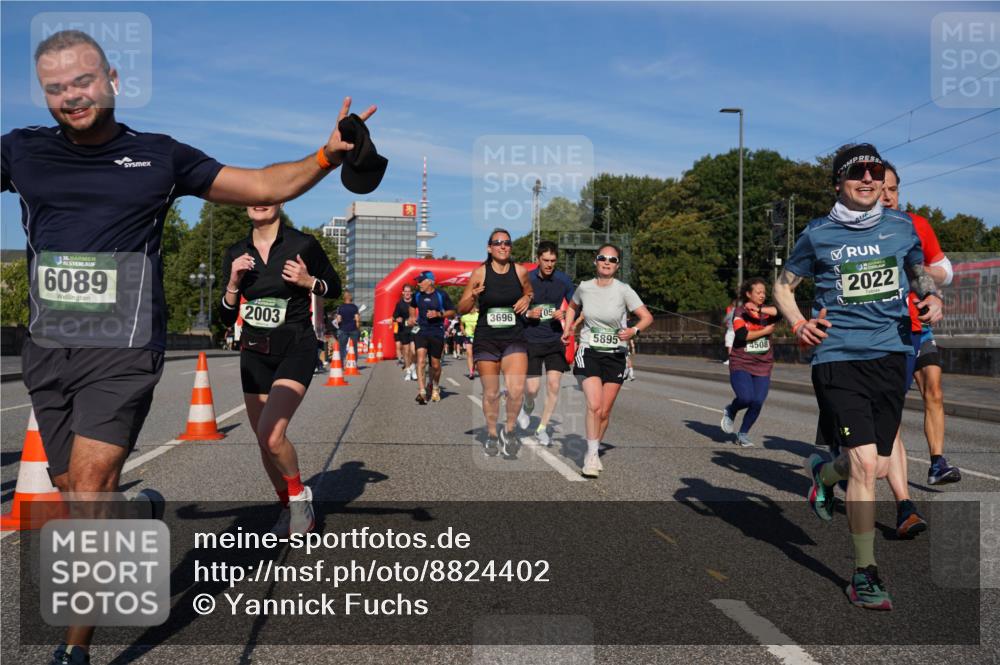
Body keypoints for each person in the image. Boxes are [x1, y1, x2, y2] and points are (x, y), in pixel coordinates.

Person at [1, 29, 376, 665]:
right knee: (73, 488)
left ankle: (74, 652)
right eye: (55, 86)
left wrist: (326, 155)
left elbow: (261, 183)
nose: (71, 95)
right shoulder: (20, 152)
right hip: (48, 348)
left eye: (83, 80)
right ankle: (130, 515)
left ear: (112, 80)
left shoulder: (158, 157)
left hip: (122, 349)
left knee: (89, 487)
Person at [772, 143, 943, 611]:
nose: (868, 180)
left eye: (874, 172)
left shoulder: (902, 227)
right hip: (837, 356)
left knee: (881, 465)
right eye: (857, 174)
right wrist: (798, 323)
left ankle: (825, 475)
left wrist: (932, 297)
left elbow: (917, 270)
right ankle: (864, 573)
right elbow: (784, 285)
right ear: (839, 184)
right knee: (867, 465)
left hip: (891, 355)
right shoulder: (818, 233)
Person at [220, 204, 340, 535]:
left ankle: (300, 497)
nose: (260, 201)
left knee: (273, 435)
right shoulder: (236, 252)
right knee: (263, 440)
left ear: (281, 203)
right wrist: (233, 283)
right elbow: (226, 317)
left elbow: (335, 287)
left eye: (268, 195)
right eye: (253, 196)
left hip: (296, 347)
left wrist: (309, 281)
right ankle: (287, 506)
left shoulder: (302, 244)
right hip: (255, 354)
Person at [882, 163, 959, 486]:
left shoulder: (917, 226)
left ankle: (937, 463)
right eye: (881, 190)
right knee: (892, 404)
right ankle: (884, 460)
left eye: (893, 189)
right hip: (888, 332)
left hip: (921, 325)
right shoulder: (861, 232)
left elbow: (947, 271)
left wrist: (919, 270)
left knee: (935, 391)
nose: (887, 196)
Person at [562, 244, 653, 477]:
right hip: (589, 350)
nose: (606, 262)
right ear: (595, 261)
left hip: (615, 354)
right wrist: (568, 327)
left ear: (617, 266)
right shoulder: (584, 287)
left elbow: (646, 317)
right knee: (593, 405)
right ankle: (591, 456)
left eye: (612, 260)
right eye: (602, 258)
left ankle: (593, 448)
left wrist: (633, 331)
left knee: (604, 411)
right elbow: (572, 307)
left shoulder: (624, 290)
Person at [458, 229, 532, 458]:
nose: (503, 246)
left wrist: (526, 297)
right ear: (489, 248)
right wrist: (473, 295)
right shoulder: (480, 273)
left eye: (507, 243)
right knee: (491, 393)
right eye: (497, 243)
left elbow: (529, 290)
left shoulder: (519, 271)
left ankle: (509, 431)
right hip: (487, 339)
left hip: (514, 337)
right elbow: (462, 309)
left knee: (516, 390)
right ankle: (491, 434)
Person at [517, 241, 575, 447]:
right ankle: (528, 406)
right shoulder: (527, 279)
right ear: (538, 260)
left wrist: (566, 314)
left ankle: (542, 428)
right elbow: (514, 307)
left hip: (554, 339)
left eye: (553, 261)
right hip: (531, 338)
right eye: (545, 260)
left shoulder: (564, 280)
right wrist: (528, 313)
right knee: (532, 388)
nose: (549, 264)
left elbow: (576, 307)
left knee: (554, 385)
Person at [720, 278, 781, 447]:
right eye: (758, 292)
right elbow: (741, 335)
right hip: (742, 361)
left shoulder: (767, 312)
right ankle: (731, 409)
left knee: (757, 401)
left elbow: (781, 312)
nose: (762, 295)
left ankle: (743, 433)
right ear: (748, 294)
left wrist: (760, 309)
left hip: (763, 363)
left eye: (764, 292)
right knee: (746, 398)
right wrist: (765, 331)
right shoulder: (740, 312)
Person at [410, 271, 455, 404]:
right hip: (421, 330)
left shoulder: (441, 295)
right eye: (418, 281)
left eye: (421, 281)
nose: (418, 284)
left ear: (429, 281)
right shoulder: (417, 295)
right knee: (421, 360)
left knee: (435, 365)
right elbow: (412, 307)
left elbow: (452, 311)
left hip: (437, 331)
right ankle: (422, 392)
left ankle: (435, 387)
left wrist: (438, 313)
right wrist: (412, 317)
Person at [393, 284, 417, 380]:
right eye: (405, 291)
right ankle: (408, 371)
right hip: (403, 329)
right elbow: (394, 316)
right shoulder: (399, 304)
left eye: (409, 291)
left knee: (413, 351)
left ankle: (413, 367)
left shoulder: (416, 302)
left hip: (415, 329)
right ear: (403, 292)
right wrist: (397, 319)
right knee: (406, 352)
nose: (407, 293)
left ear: (411, 292)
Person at [335, 290, 361, 360]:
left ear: (344, 298)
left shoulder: (340, 307)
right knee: (354, 347)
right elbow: (357, 320)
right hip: (353, 329)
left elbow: (338, 320)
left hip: (343, 329)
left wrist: (338, 322)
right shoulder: (354, 307)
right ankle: (354, 364)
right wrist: (358, 329)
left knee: (341, 348)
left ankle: (341, 364)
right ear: (350, 298)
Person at [460, 305, 479, 379]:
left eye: (472, 308)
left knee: (476, 353)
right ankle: (471, 372)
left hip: (478, 336)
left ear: (475, 308)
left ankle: (475, 365)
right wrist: (463, 331)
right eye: (469, 308)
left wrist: (477, 329)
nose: (471, 309)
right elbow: (461, 325)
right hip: (468, 336)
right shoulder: (464, 317)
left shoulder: (479, 315)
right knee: (469, 353)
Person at [723, 298, 737, 365]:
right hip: (738, 331)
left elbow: (724, 320)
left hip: (731, 330)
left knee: (730, 345)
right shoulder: (740, 313)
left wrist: (727, 323)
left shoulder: (730, 312)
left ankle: (731, 360)